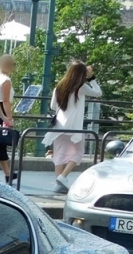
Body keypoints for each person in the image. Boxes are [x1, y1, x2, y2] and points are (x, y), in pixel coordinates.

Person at [44, 60, 102, 194]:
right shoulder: (81, 87)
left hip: (59, 125)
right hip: (74, 126)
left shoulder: (59, 86)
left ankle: (59, 184)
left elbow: (53, 106)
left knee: (59, 154)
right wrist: (91, 78)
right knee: (78, 152)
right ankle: (63, 177)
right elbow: (98, 93)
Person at [0, 55, 17, 185]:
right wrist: (9, 118)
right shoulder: (5, 80)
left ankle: (8, 173)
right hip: (1, 110)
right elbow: (5, 101)